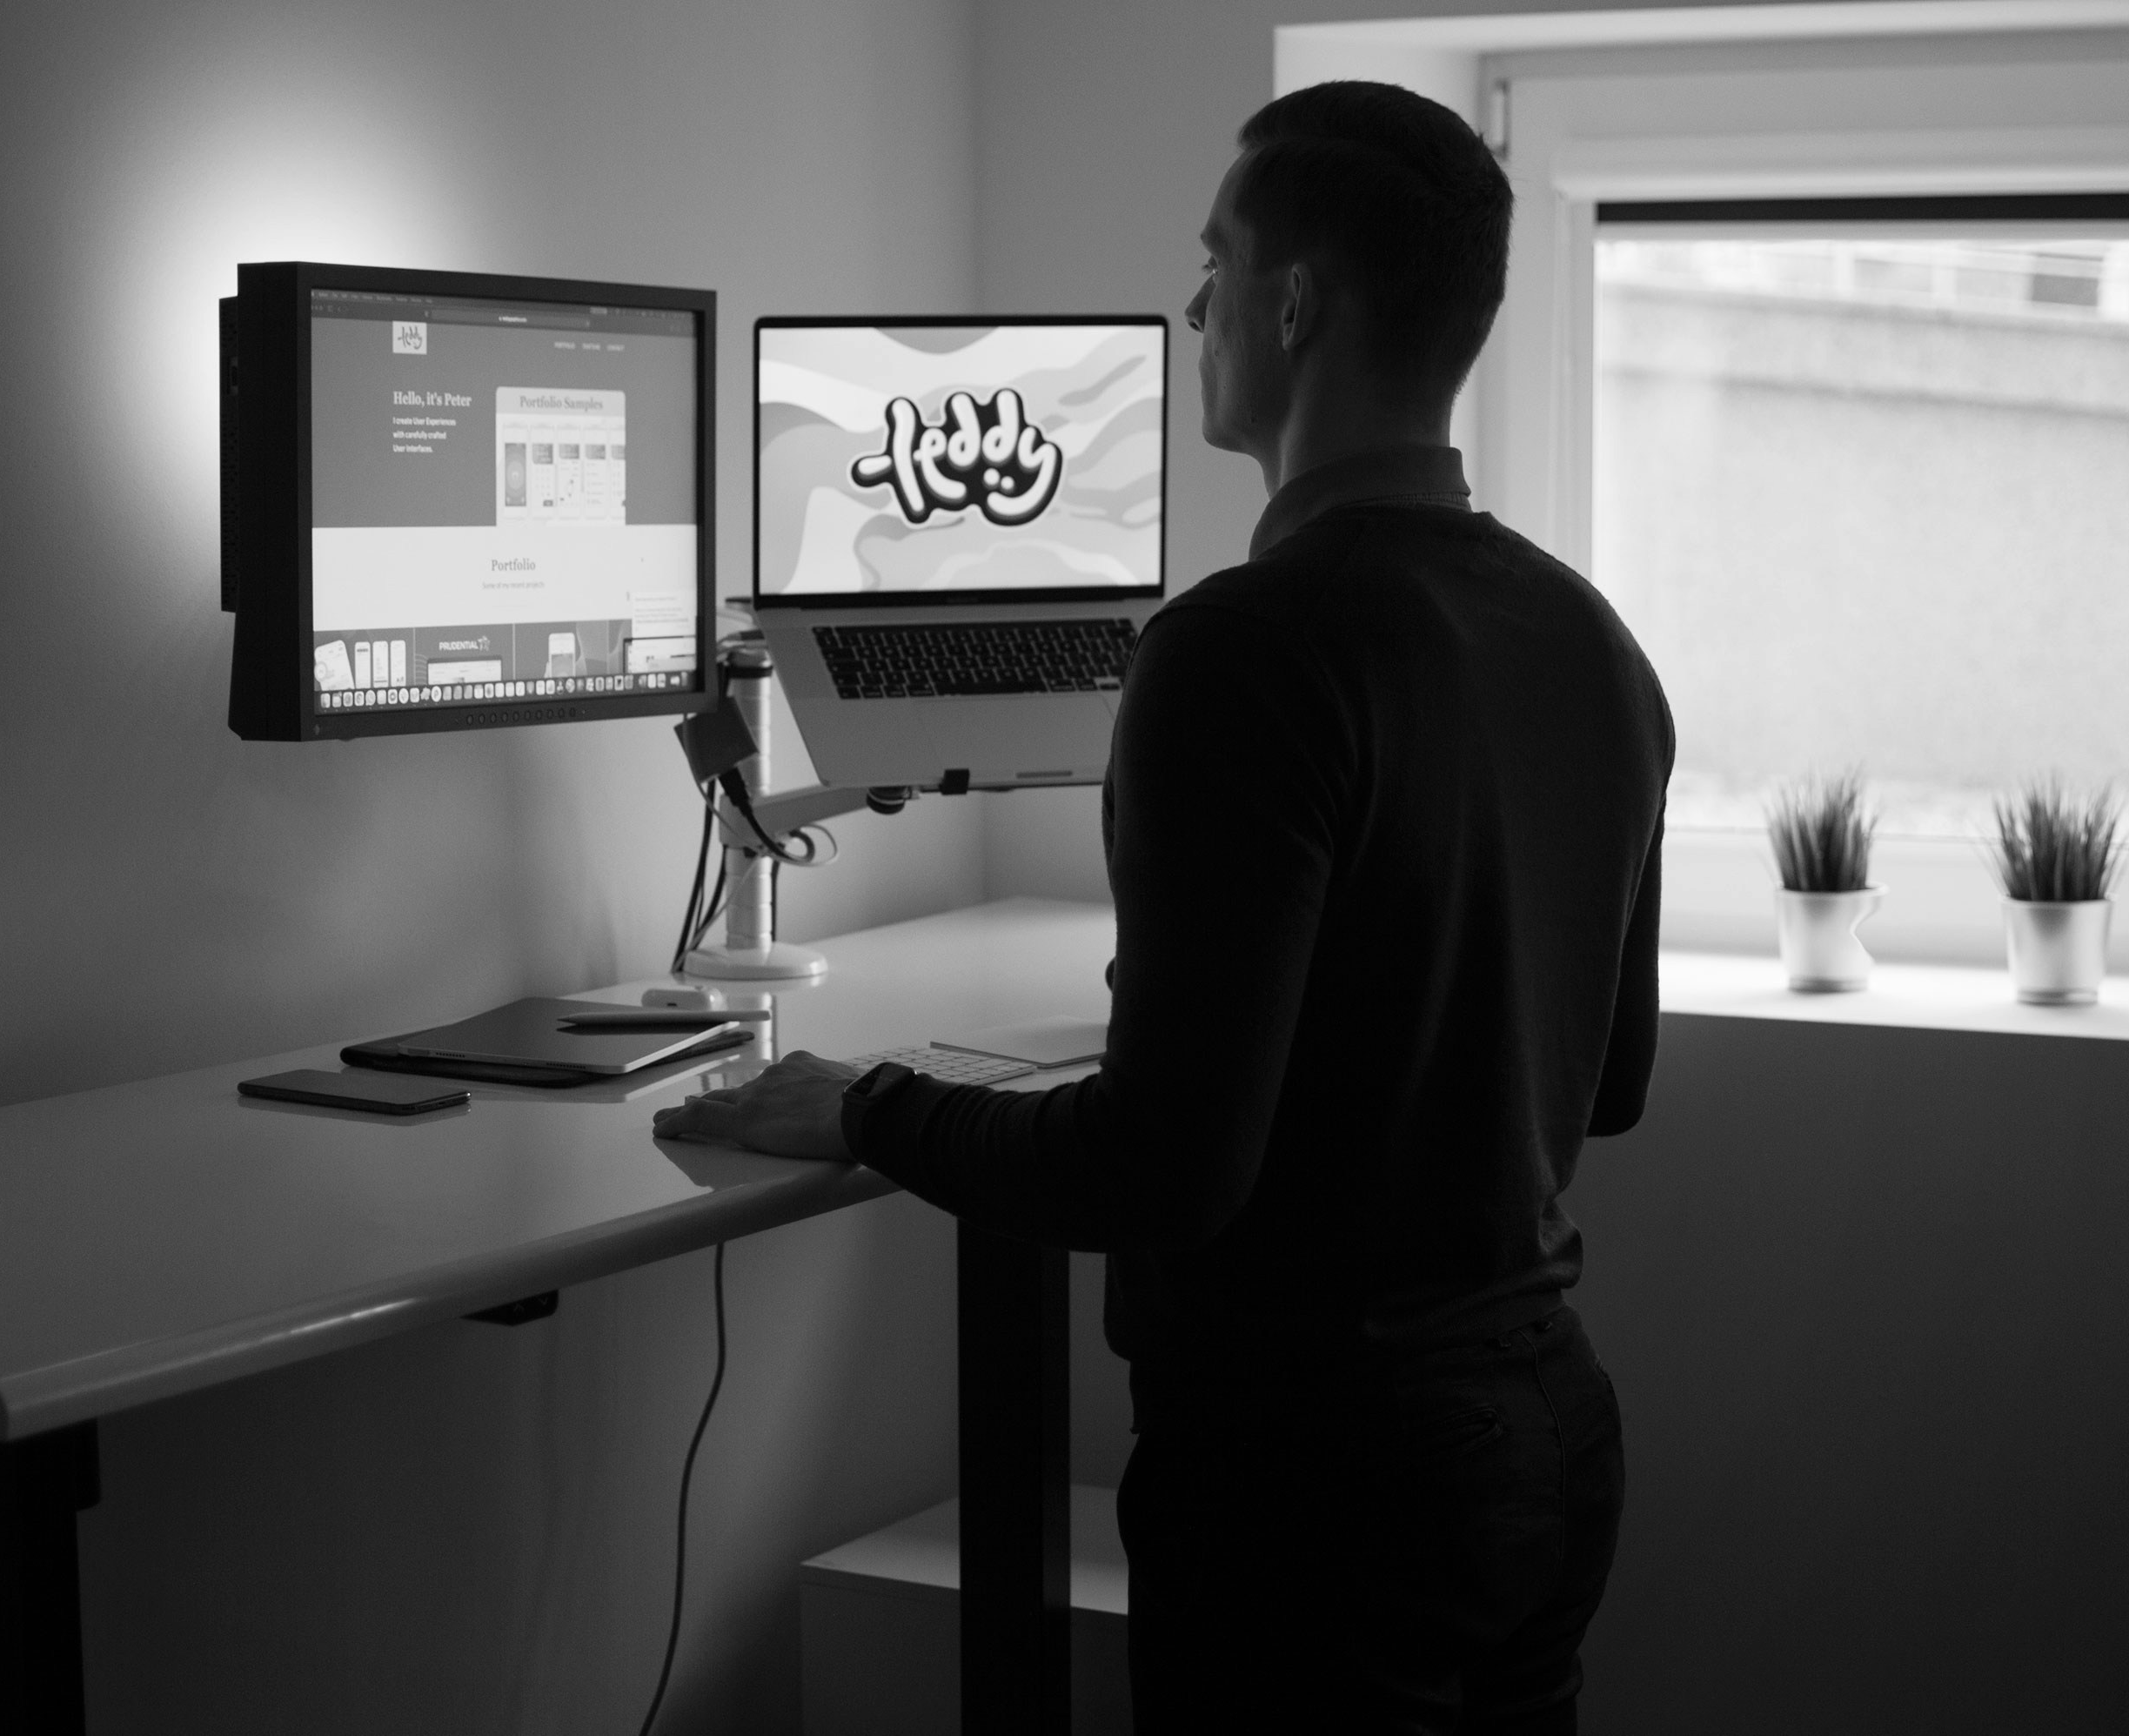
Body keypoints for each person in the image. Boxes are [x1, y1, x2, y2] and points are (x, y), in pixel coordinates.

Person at [656, 79, 1673, 1734]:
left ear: (1292, 305)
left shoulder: (1240, 651)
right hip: (1542, 1444)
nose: (1196, 306)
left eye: (1215, 265)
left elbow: (1165, 1171)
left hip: (1319, 1492)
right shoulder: (1592, 643)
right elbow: (1605, 1084)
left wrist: (869, 1108)